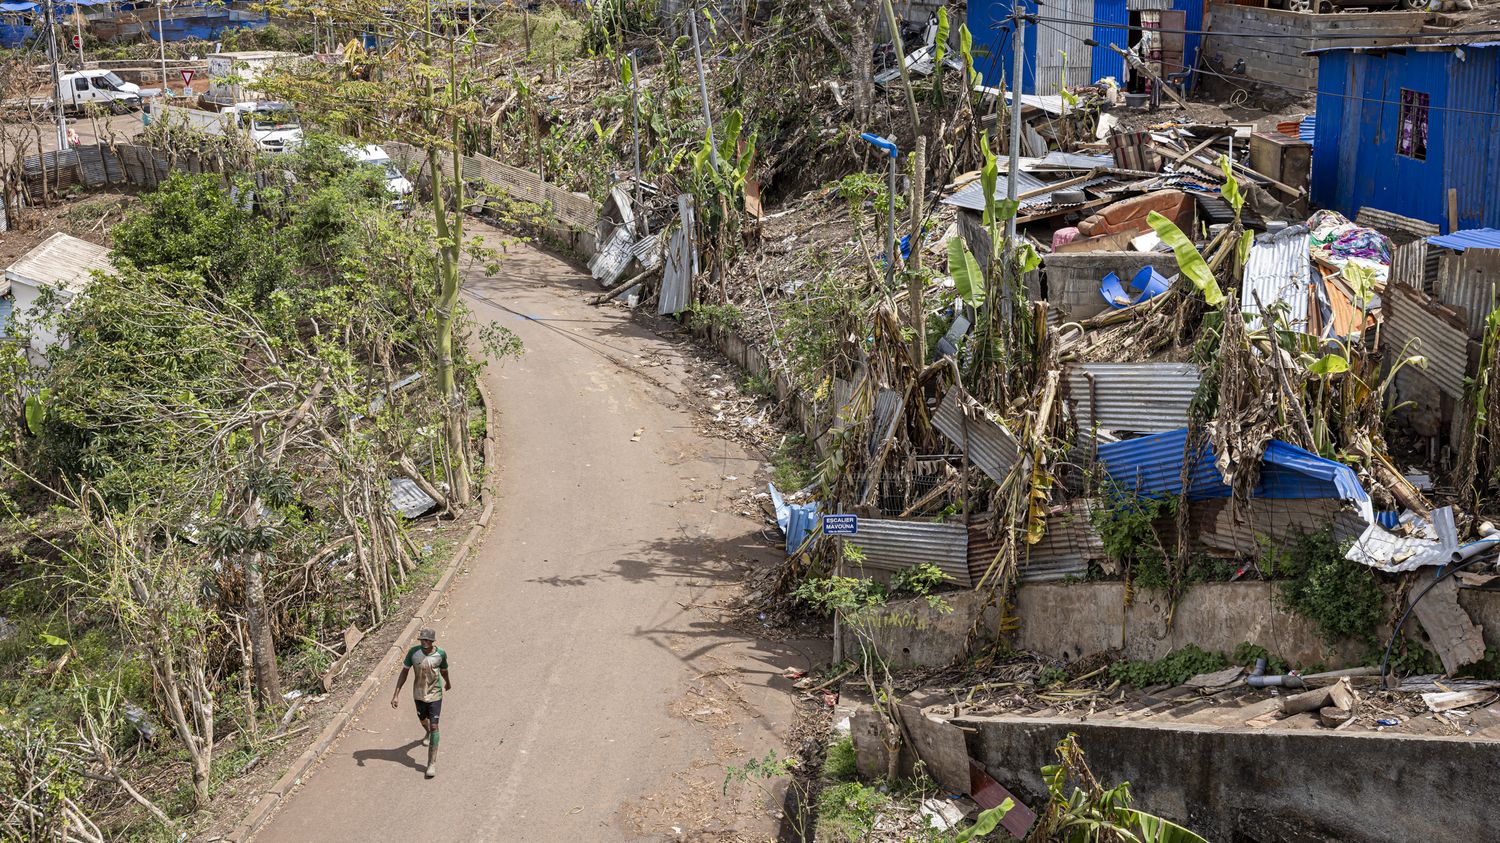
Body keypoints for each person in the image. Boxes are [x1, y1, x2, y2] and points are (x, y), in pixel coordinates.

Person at [391, 628, 450, 778]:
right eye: (422, 640)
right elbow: (404, 672)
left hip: (435, 694)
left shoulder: (440, 654)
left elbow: (444, 670)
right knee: (423, 719)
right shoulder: (413, 653)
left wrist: (447, 682)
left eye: (426, 640)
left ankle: (431, 763)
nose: (424, 642)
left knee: (435, 725)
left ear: (432, 642)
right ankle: (428, 731)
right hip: (418, 694)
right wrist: (396, 694)